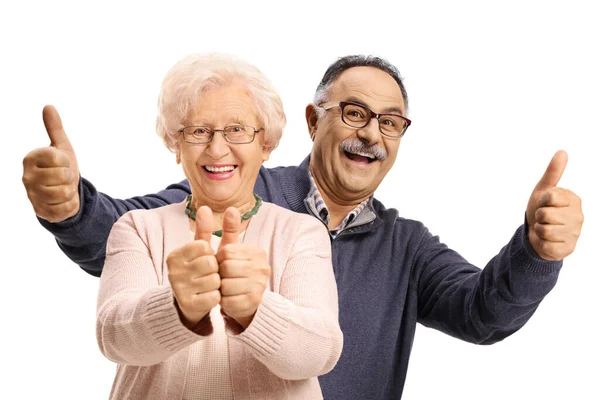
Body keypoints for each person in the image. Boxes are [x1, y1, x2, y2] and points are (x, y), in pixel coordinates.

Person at [22, 54, 583, 399]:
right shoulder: (239, 187)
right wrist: (69, 203)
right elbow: (126, 235)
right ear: (314, 120)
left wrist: (536, 250)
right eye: (355, 113)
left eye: (390, 123)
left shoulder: (406, 247)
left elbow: (483, 314)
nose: (372, 134)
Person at [92, 53, 342, 399]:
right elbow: (113, 337)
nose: (217, 148)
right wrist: (177, 308)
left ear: (265, 144)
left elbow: (320, 351)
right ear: (176, 144)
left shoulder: (301, 233)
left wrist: (256, 309)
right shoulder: (137, 228)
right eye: (198, 131)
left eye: (237, 130)